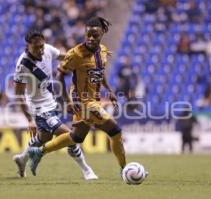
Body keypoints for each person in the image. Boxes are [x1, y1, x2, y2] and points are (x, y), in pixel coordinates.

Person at [27, 17, 129, 180]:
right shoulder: (75, 54)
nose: (90, 38)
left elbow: (99, 73)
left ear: (102, 33)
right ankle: (124, 170)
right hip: (82, 102)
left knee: (76, 137)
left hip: (94, 100)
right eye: (88, 34)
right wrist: (68, 101)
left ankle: (38, 151)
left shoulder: (102, 51)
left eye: (95, 35)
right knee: (115, 131)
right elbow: (59, 76)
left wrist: (109, 90)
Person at [12, 30, 98, 180]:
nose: (40, 50)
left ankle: (22, 159)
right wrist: (29, 119)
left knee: (44, 137)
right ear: (28, 46)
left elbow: (66, 57)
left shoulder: (48, 50)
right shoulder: (23, 65)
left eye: (42, 46)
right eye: (36, 47)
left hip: (51, 102)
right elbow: (19, 94)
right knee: (68, 135)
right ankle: (87, 170)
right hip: (38, 107)